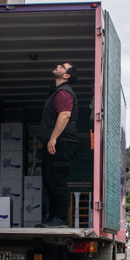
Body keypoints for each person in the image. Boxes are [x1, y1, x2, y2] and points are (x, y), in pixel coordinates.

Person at [37, 63, 79, 228]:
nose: (57, 66)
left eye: (62, 66)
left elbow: (65, 115)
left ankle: (61, 217)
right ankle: (54, 216)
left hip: (63, 142)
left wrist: (53, 138)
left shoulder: (63, 92)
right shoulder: (57, 92)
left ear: (66, 75)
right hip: (55, 142)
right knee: (49, 180)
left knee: (57, 180)